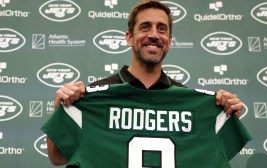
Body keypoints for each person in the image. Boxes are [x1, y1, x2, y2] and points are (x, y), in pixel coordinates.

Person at [44, 0, 247, 166]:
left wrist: (226, 113)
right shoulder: (93, 98)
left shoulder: (196, 105)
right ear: (129, 38)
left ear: (169, 39)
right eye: (145, 27)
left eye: (161, 29)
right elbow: (57, 158)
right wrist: (61, 108)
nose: (153, 35)